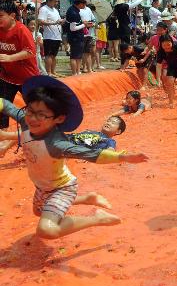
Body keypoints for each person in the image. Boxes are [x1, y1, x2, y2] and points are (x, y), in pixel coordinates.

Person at [0, 76, 148, 237]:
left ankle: (97, 219)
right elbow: (8, 106)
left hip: (62, 188)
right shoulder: (26, 120)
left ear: (59, 119)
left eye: (41, 115)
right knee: (38, 212)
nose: (32, 118)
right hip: (42, 186)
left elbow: (92, 154)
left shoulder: (58, 145)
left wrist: (122, 157)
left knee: (46, 229)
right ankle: (87, 198)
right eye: (30, 111)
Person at [0, 0, 40, 155]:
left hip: (28, 78)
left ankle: (32, 139)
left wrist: (10, 58)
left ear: (12, 16)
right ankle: (3, 139)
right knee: (2, 107)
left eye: (0, 16)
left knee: (36, 110)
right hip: (7, 76)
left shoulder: (22, 30)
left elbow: (30, 51)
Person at [155, 32, 177, 108]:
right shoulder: (160, 51)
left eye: (168, 44)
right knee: (169, 82)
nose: (166, 47)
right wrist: (158, 80)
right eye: (164, 45)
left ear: (172, 42)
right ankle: (171, 101)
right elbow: (158, 66)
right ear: (161, 44)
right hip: (171, 66)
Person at [38, 0, 65, 77]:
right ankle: (48, 72)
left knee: (54, 55)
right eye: (55, 1)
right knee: (48, 55)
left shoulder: (55, 10)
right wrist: (54, 23)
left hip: (56, 35)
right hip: (49, 36)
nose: (56, 3)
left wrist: (61, 21)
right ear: (49, 1)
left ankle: (53, 71)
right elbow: (40, 21)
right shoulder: (44, 9)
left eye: (57, 1)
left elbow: (57, 20)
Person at [64, 0, 90, 76]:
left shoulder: (75, 10)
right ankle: (74, 72)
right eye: (84, 4)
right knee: (74, 56)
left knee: (78, 56)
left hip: (78, 37)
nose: (85, 6)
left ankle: (78, 71)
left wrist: (83, 23)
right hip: (75, 37)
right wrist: (84, 25)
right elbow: (73, 28)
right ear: (80, 3)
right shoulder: (73, 12)